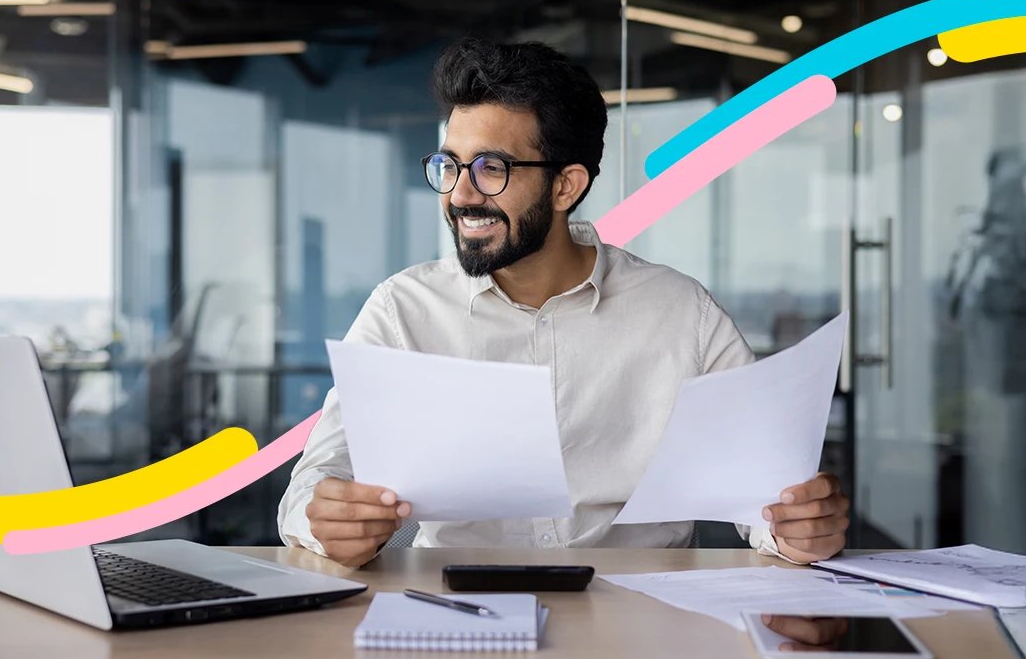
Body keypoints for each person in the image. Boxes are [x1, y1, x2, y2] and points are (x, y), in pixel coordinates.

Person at [277, 37, 851, 569]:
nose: (460, 194)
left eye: (490, 169)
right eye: (449, 165)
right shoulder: (404, 310)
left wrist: (798, 527)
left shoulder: (682, 314)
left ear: (565, 187)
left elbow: (766, 497)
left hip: (645, 629)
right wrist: (323, 518)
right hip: (457, 618)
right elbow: (314, 482)